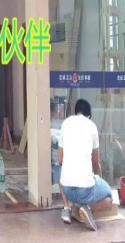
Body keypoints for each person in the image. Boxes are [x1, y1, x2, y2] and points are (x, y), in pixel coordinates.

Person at [58, 99, 112, 231]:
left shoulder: (66, 123)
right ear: (89, 115)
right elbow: (95, 162)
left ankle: (67, 208)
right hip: (85, 191)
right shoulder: (92, 126)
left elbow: (59, 160)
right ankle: (87, 208)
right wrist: (98, 177)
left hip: (67, 190)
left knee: (61, 178)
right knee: (109, 197)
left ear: (75, 112)